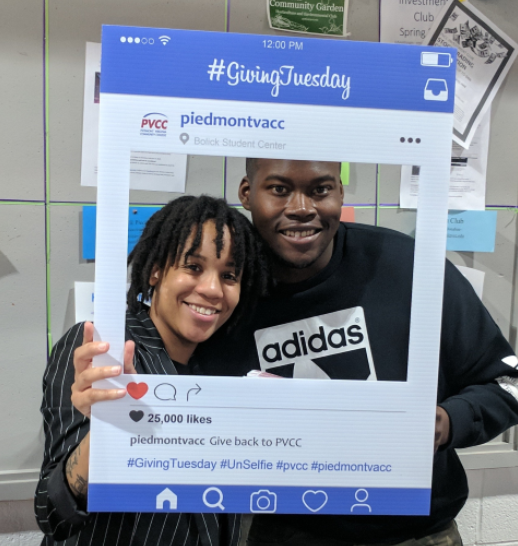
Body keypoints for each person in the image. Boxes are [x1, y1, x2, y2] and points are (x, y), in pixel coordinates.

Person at [196, 159, 518, 546]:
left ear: (341, 193)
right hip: (279, 531)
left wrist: (446, 423)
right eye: (279, 189)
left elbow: (506, 383)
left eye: (320, 189)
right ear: (247, 192)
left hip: (416, 534)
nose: (301, 207)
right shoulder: (221, 289)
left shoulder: (410, 268)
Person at [35, 195, 266, 546]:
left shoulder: (226, 369)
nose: (212, 289)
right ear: (156, 269)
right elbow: (54, 512)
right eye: (193, 267)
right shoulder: (104, 347)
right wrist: (109, 426)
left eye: (229, 275)